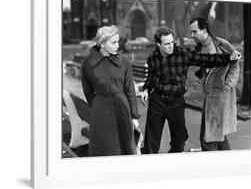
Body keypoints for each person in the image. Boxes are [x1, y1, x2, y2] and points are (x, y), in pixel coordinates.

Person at [141, 26, 241, 154]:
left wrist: (228, 58)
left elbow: (206, 59)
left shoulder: (183, 54)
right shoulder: (152, 58)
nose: (171, 46)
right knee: (151, 145)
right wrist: (146, 89)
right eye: (166, 44)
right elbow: (151, 76)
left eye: (172, 42)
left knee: (179, 142)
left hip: (176, 102)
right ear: (158, 44)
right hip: (157, 102)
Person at [81, 25, 140, 156]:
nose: (118, 45)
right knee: (103, 150)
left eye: (118, 41)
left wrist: (134, 116)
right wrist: (99, 105)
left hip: (123, 110)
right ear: (102, 44)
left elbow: (130, 90)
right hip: (101, 114)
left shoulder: (124, 62)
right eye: (113, 42)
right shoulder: (88, 63)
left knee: (126, 149)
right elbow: (88, 91)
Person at [189, 17, 240, 151]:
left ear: (204, 30)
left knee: (209, 138)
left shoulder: (223, 45)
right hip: (209, 97)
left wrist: (228, 85)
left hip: (221, 96)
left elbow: (235, 63)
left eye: (194, 32)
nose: (191, 35)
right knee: (217, 134)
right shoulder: (199, 49)